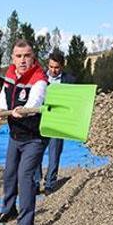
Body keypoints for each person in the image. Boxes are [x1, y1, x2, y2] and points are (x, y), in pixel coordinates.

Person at [0, 39, 49, 225]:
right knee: (9, 174)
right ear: (13, 58)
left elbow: (36, 101)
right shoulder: (10, 75)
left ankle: (26, 224)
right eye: (19, 56)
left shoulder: (39, 78)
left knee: (25, 177)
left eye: (27, 56)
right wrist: (1, 109)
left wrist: (23, 111)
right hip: (15, 135)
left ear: (33, 58)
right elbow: (3, 96)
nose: (23, 60)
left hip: (34, 137)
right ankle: (9, 210)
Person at [36, 50, 76, 195]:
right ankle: (35, 183)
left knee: (54, 153)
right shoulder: (39, 78)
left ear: (62, 66)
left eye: (56, 67)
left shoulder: (70, 80)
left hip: (58, 122)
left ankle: (50, 184)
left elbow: (73, 102)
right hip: (40, 120)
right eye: (51, 67)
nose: (53, 70)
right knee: (35, 152)